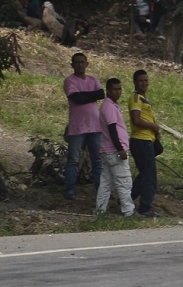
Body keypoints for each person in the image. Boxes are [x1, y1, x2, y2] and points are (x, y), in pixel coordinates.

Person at [63, 52, 104, 200]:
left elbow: (101, 94)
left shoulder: (93, 79)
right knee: (73, 159)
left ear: (87, 64)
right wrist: (91, 95)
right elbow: (77, 99)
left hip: (95, 126)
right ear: (72, 65)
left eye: (82, 62)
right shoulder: (69, 81)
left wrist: (85, 95)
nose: (80, 65)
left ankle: (100, 189)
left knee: (97, 160)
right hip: (77, 127)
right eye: (77, 62)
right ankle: (70, 189)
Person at [95, 78, 135, 217]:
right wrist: (120, 149)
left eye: (120, 89)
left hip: (106, 150)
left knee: (106, 182)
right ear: (108, 90)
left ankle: (100, 210)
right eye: (114, 89)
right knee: (124, 181)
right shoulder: (109, 107)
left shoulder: (110, 105)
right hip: (114, 150)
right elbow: (112, 130)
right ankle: (128, 211)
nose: (118, 92)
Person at [128, 69, 161, 218]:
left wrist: (155, 133)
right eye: (141, 80)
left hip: (147, 140)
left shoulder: (143, 99)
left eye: (146, 80)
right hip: (141, 140)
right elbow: (136, 120)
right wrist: (153, 126)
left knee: (145, 175)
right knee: (150, 177)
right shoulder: (135, 98)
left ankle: (127, 199)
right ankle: (145, 208)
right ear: (135, 82)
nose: (144, 83)